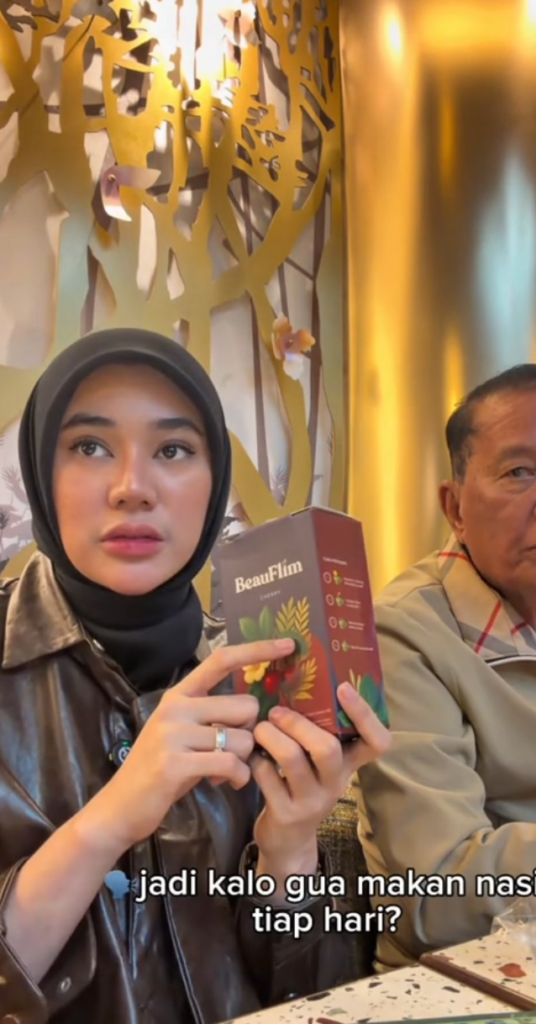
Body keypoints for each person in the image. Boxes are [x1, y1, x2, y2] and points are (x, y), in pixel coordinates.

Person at [0, 328, 391, 1024]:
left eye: (173, 450)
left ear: (215, 485)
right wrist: (113, 817)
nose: (133, 488)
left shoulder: (260, 673)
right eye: (89, 447)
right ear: (39, 473)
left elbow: (313, 995)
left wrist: (290, 848)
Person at [355, 364, 536, 971]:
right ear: (455, 506)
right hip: (491, 980)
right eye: (519, 472)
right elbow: (437, 896)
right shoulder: (404, 636)